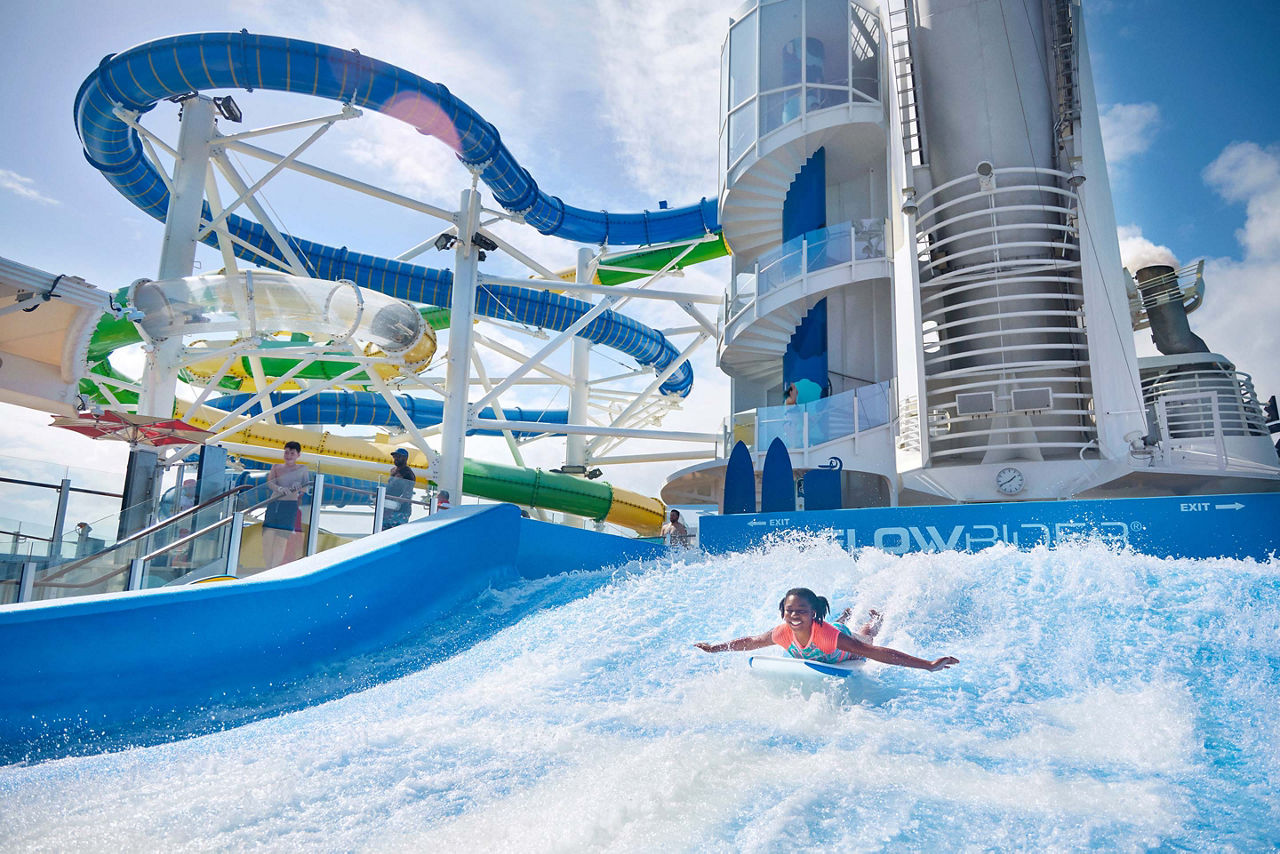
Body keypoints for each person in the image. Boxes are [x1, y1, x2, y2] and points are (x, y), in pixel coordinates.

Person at [694, 587, 959, 672]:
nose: (794, 616)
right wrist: (714, 648)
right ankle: (844, 615)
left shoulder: (829, 637)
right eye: (789, 611)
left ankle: (877, 618)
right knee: (847, 629)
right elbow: (751, 642)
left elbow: (874, 652)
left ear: (812, 613)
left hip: (842, 643)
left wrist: (927, 665)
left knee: (866, 634)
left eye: (801, 611)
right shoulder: (781, 632)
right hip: (828, 634)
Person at [263, 440, 310, 569]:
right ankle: (268, 566)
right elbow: (270, 483)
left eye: (292, 453)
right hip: (274, 503)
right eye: (286, 452)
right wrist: (279, 489)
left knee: (281, 540)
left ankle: (273, 568)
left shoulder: (302, 469)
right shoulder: (276, 467)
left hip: (289, 506)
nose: (288, 455)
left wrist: (298, 487)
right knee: (267, 538)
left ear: (298, 455)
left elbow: (306, 488)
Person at [382, 448, 415, 531]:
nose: (395, 459)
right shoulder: (393, 471)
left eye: (398, 457)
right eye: (394, 457)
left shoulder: (408, 474)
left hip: (400, 510)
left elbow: (407, 494)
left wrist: (393, 507)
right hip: (388, 507)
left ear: (405, 458)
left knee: (395, 534)